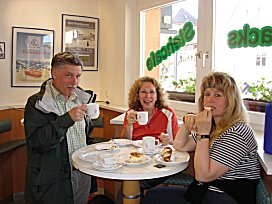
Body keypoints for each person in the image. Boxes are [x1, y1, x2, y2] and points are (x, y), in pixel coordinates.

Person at [142, 72, 260, 204]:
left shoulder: (238, 132)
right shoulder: (213, 125)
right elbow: (180, 145)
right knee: (153, 196)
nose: (210, 99)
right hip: (207, 191)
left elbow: (203, 176)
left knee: (153, 199)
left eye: (218, 95)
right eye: (207, 94)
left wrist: (203, 133)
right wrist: (187, 125)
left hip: (227, 197)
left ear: (231, 100)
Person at [24, 52, 95, 204]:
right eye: (69, 75)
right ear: (54, 73)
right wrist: (67, 119)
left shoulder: (81, 100)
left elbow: (85, 135)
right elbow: (38, 142)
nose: (74, 82)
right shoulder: (36, 103)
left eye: (78, 76)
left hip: (81, 173)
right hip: (54, 178)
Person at [121, 76, 179, 145]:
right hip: (136, 153)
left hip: (160, 153)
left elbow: (177, 143)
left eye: (151, 92)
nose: (148, 96)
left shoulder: (169, 113)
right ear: (137, 96)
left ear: (157, 96)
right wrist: (129, 125)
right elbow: (124, 143)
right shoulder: (131, 113)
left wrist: (168, 141)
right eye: (143, 91)